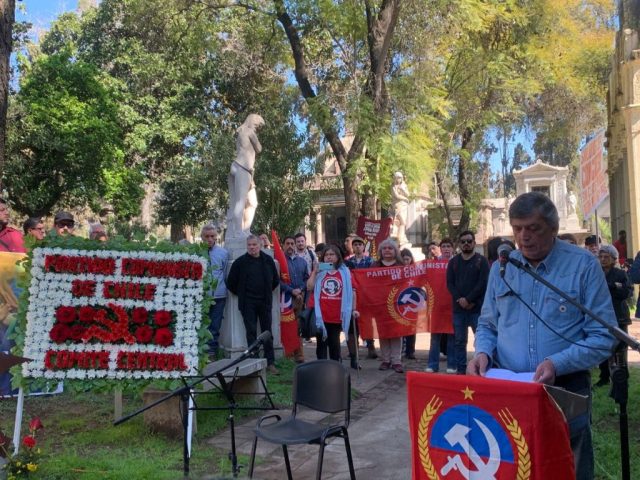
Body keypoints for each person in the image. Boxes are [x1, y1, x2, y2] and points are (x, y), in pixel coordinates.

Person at [468, 192, 616, 480]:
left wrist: (556, 363)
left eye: (533, 228)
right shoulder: (503, 267)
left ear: (553, 228)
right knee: (515, 467)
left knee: (568, 469)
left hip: (565, 387)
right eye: (517, 228)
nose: (524, 237)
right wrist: (482, 352)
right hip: (511, 390)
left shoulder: (583, 266)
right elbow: (487, 324)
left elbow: (603, 335)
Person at [226, 234, 279, 374]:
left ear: (260, 245)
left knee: (267, 332)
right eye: (249, 245)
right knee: (251, 332)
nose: (252, 247)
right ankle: (253, 362)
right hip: (247, 303)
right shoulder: (240, 262)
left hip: (265, 302)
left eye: (254, 245)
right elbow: (231, 283)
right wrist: (243, 294)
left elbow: (275, 280)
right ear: (246, 246)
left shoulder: (268, 261)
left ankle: (270, 362)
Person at [446, 230, 489, 374]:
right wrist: (460, 299)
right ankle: (461, 370)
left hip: (477, 309)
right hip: (459, 309)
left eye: (469, 241)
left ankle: (481, 368)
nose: (466, 244)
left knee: (481, 340)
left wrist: (470, 299)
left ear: (474, 243)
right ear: (459, 244)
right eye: (463, 241)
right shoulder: (453, 262)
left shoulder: (481, 261)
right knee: (459, 341)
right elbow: (450, 284)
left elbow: (483, 283)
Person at [306, 244, 356, 362]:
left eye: (332, 254)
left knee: (334, 345)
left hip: (336, 315)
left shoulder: (345, 272)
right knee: (321, 346)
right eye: (326, 255)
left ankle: (335, 371)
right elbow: (309, 287)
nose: (329, 257)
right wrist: (315, 272)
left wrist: (354, 309)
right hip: (320, 315)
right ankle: (322, 372)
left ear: (338, 257)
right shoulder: (319, 271)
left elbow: (352, 292)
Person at [594, 244, 632, 388]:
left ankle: (623, 376)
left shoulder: (620, 274)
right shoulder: (596, 273)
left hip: (619, 316)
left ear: (613, 259)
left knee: (621, 347)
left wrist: (614, 287)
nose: (603, 260)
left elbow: (627, 292)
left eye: (606, 257)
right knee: (602, 346)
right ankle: (604, 376)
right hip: (600, 316)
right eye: (601, 256)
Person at [226, 114, 265, 237]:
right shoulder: (248, 131)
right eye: (257, 126)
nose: (257, 129)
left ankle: (245, 229)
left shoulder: (243, 131)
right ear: (252, 122)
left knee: (253, 202)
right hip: (242, 167)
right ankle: (237, 231)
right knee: (241, 201)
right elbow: (259, 148)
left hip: (247, 171)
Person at [372, 239, 405, 373]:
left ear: (395, 251)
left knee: (397, 332)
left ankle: (396, 361)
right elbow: (369, 283)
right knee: (383, 333)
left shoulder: (401, 265)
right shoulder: (375, 265)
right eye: (384, 248)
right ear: (380, 251)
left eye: (390, 248)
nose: (387, 250)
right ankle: (386, 360)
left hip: (397, 304)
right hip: (381, 304)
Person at [426, 238, 456, 373]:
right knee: (435, 337)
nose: (446, 248)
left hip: (454, 304)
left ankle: (452, 365)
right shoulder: (433, 264)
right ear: (440, 249)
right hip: (436, 305)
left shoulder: (457, 263)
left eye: (448, 246)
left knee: (452, 336)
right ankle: (432, 364)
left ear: (453, 248)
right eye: (443, 246)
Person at [201, 225, 230, 359]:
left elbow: (224, 273)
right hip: (201, 296)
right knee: (202, 324)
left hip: (219, 295)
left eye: (212, 236)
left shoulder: (223, 253)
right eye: (207, 236)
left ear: (216, 237)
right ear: (202, 237)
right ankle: (201, 352)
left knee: (215, 325)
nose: (210, 239)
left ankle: (212, 353)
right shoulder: (196, 252)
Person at [281, 235, 308, 363]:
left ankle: (299, 353)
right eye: (288, 243)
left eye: (292, 243)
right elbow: (278, 281)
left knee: (298, 326)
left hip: (299, 298)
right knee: (287, 325)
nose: (290, 246)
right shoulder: (279, 262)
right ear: (283, 245)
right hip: (285, 299)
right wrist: (291, 290)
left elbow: (306, 279)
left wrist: (300, 290)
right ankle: (288, 353)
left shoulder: (302, 261)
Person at [400, 248, 417, 360]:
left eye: (407, 259)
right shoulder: (396, 270)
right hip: (400, 302)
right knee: (400, 327)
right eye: (403, 259)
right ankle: (401, 349)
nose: (405, 262)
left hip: (411, 302)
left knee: (411, 327)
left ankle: (410, 351)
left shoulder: (416, 270)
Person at [391, 172, 410, 245]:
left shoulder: (404, 185)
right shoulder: (393, 187)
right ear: (395, 178)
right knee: (400, 221)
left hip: (404, 205)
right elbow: (396, 196)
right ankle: (399, 238)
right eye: (397, 178)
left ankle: (401, 237)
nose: (398, 179)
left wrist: (402, 189)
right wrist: (405, 199)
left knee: (402, 222)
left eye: (399, 178)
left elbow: (408, 194)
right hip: (397, 205)